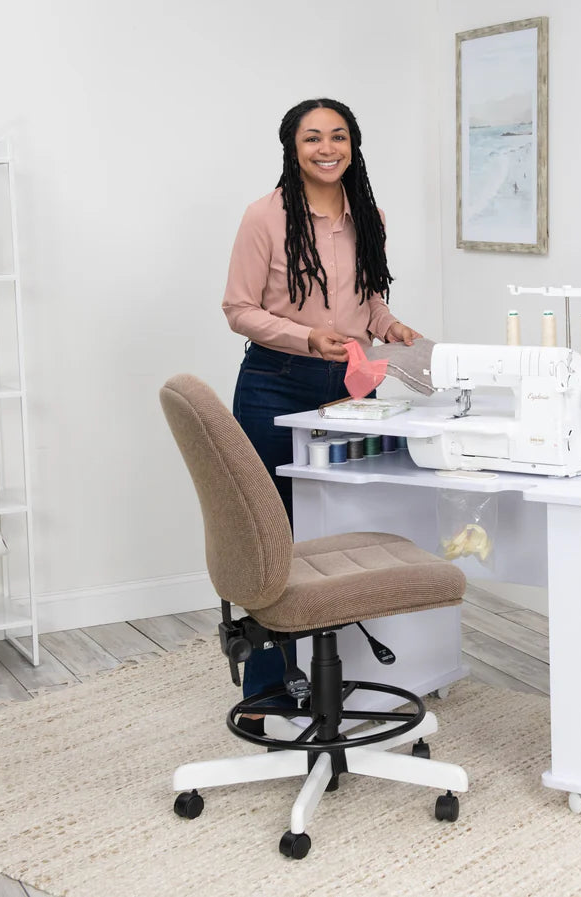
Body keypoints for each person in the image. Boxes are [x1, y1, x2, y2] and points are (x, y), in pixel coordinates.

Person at [221, 97, 423, 715]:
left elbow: (368, 298)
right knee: (272, 531)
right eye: (313, 138)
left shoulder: (371, 215)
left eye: (339, 137)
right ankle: (269, 684)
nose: (327, 149)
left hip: (349, 387)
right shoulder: (265, 216)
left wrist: (388, 326)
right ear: (293, 147)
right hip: (274, 382)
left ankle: (342, 667)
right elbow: (238, 309)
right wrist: (304, 336)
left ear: (354, 146)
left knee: (342, 524)